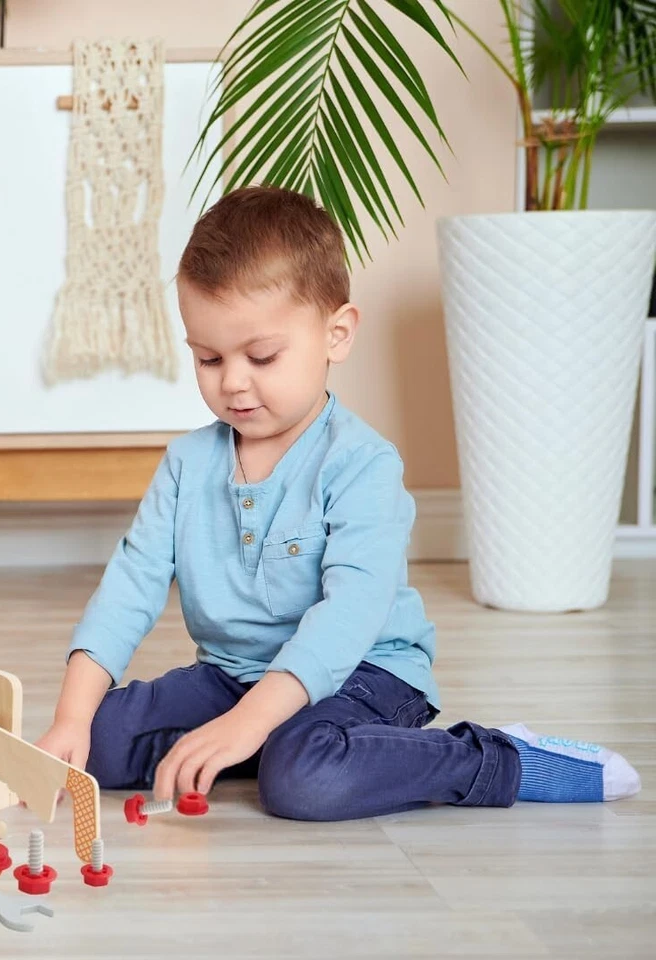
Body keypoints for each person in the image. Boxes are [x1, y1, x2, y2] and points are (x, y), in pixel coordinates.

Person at [36, 185, 640, 820]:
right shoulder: (187, 464)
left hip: (366, 672)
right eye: (209, 358)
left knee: (304, 780)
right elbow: (130, 585)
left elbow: (348, 615)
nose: (233, 382)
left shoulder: (361, 464)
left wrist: (249, 722)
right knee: (100, 742)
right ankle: (260, 742)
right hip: (235, 675)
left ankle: (489, 757)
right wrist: (71, 719)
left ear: (336, 334)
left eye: (261, 356)